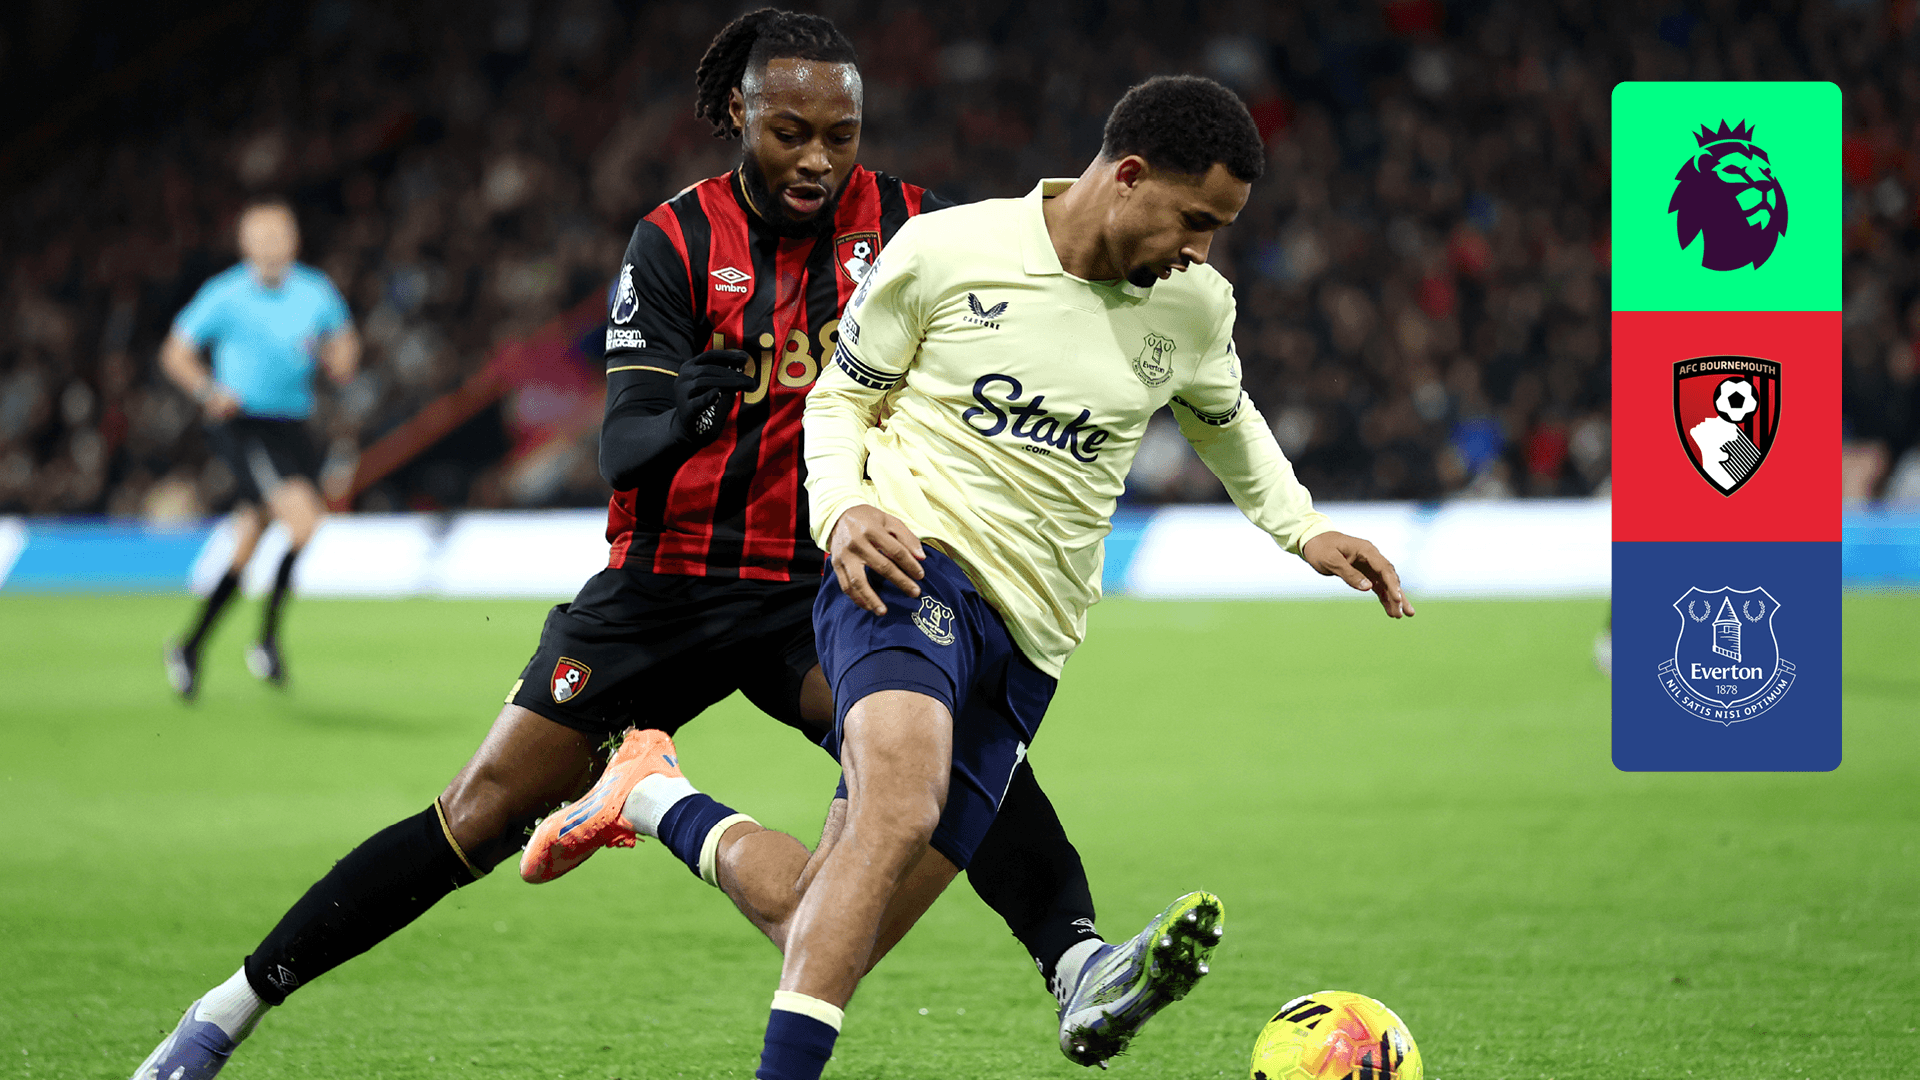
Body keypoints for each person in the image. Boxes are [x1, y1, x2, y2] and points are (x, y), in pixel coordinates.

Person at [131, 12, 1201, 1080]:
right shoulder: (676, 240)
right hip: (667, 589)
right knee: (479, 814)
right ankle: (223, 1014)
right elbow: (623, 450)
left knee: (942, 753)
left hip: (819, 586)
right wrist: (685, 415)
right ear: (738, 114)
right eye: (790, 132)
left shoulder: (912, 227)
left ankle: (1073, 958)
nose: (818, 160)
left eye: (840, 136)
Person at [527, 74, 1416, 1080]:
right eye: (1195, 220)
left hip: (1033, 641)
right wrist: (843, 508)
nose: (1202, 250)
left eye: (1220, 230)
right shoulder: (949, 251)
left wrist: (1304, 530)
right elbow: (839, 401)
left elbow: (1224, 419)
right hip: (910, 573)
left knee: (827, 918)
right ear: (1128, 177)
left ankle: (650, 794)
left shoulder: (1195, 308)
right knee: (899, 809)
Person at [160, 198, 359, 698]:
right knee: (304, 520)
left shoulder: (315, 291)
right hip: (243, 424)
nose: (272, 245)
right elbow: (176, 352)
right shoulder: (224, 294)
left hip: (295, 426)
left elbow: (344, 346)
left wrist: (339, 359)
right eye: (262, 237)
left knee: (248, 543)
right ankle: (267, 639)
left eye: (280, 235)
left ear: (294, 241)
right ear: (245, 244)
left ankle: (189, 645)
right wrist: (208, 391)